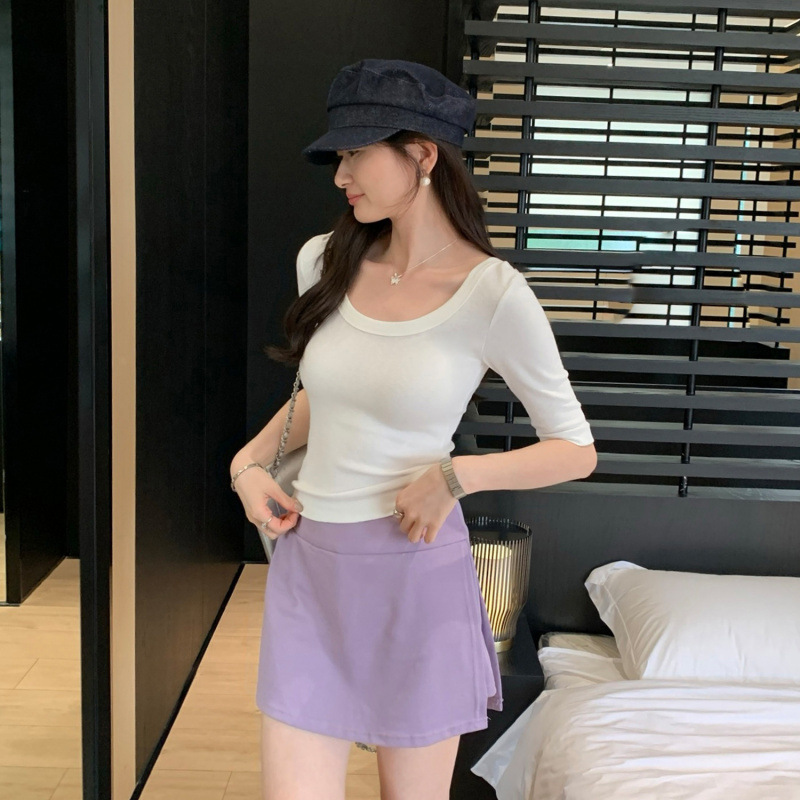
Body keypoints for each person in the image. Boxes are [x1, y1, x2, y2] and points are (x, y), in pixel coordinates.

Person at [230, 58, 597, 800]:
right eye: (338, 156)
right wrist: (247, 463)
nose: (341, 175)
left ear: (422, 155)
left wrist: (456, 477)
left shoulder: (492, 294)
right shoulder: (323, 260)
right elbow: (327, 399)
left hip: (415, 575)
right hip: (311, 569)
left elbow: (575, 451)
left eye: (356, 154)